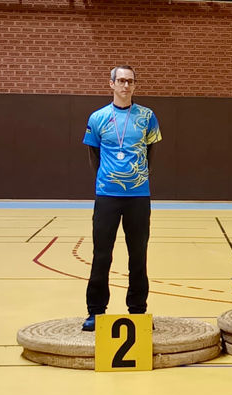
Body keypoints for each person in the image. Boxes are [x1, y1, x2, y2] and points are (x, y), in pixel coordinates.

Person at [81, 65, 162, 331]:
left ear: (134, 85)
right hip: (107, 196)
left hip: (138, 196)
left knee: (138, 255)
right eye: (121, 81)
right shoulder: (98, 117)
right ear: (112, 84)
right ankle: (95, 311)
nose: (126, 85)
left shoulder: (147, 116)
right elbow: (93, 154)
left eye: (130, 81)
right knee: (101, 254)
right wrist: (106, 179)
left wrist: (140, 177)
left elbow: (151, 151)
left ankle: (137, 311)